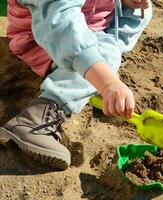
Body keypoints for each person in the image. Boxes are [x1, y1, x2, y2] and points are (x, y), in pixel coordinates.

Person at [0, 0, 152, 170]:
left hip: (92, 26)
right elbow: (62, 22)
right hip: (43, 38)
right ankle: (34, 118)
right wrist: (107, 81)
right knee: (105, 59)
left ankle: (96, 70)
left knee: (139, 12)